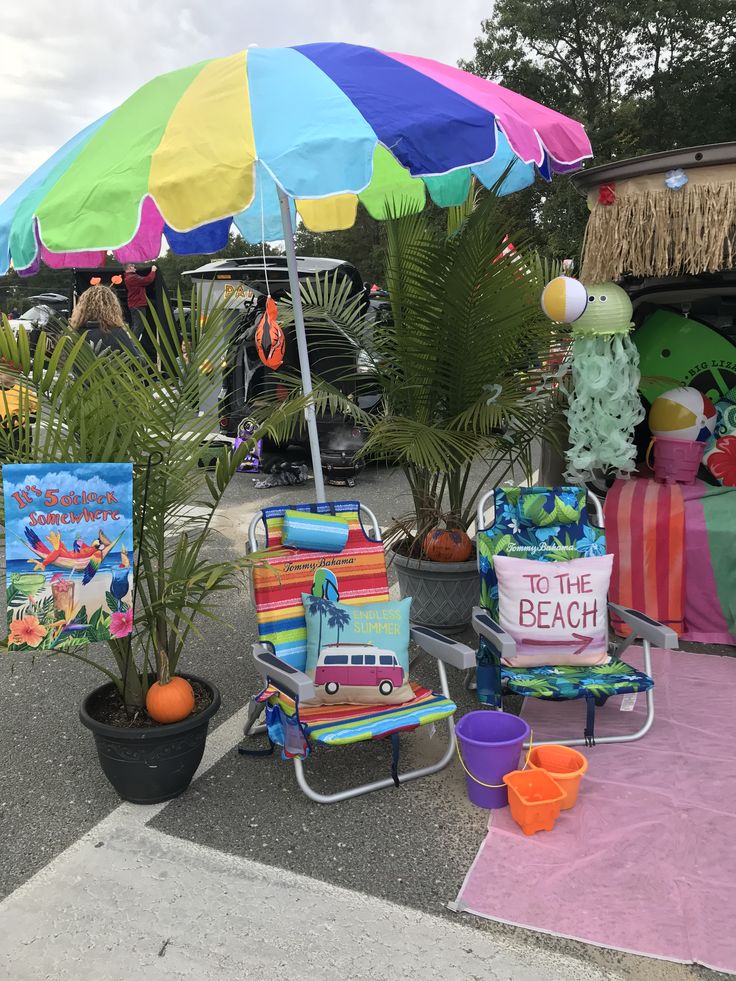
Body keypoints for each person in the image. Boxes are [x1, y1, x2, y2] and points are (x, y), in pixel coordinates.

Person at [70, 284, 141, 359]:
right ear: (113, 308)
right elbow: (137, 363)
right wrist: (132, 342)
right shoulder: (117, 334)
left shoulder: (74, 334)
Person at [124, 263, 156, 339]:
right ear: (128, 268)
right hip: (137, 304)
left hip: (135, 304)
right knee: (139, 325)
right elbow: (148, 280)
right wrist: (153, 271)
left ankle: (132, 342)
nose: (135, 268)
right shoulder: (132, 278)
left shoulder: (130, 277)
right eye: (133, 266)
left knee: (137, 325)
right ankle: (134, 344)